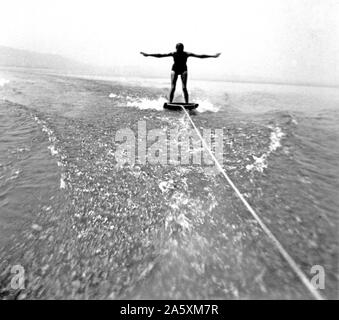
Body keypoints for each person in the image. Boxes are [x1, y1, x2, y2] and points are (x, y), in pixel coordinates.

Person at [140, 43, 221, 103]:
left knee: (184, 88)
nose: (180, 49)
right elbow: (160, 55)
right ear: (176, 48)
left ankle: (187, 103)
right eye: (179, 48)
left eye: (181, 48)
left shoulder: (186, 54)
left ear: (183, 48)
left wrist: (213, 56)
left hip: (183, 70)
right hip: (174, 69)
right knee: (173, 87)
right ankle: (170, 102)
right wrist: (148, 55)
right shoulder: (173, 53)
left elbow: (200, 56)